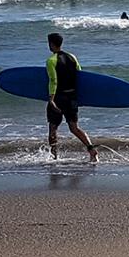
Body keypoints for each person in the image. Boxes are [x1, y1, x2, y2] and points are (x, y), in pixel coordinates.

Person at [46, 32, 99, 162]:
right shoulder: (72, 57)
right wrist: (80, 97)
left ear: (51, 44)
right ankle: (92, 150)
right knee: (74, 127)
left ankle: (54, 157)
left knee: (53, 129)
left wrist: (51, 99)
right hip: (71, 97)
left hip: (58, 98)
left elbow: (53, 80)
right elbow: (80, 76)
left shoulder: (51, 61)